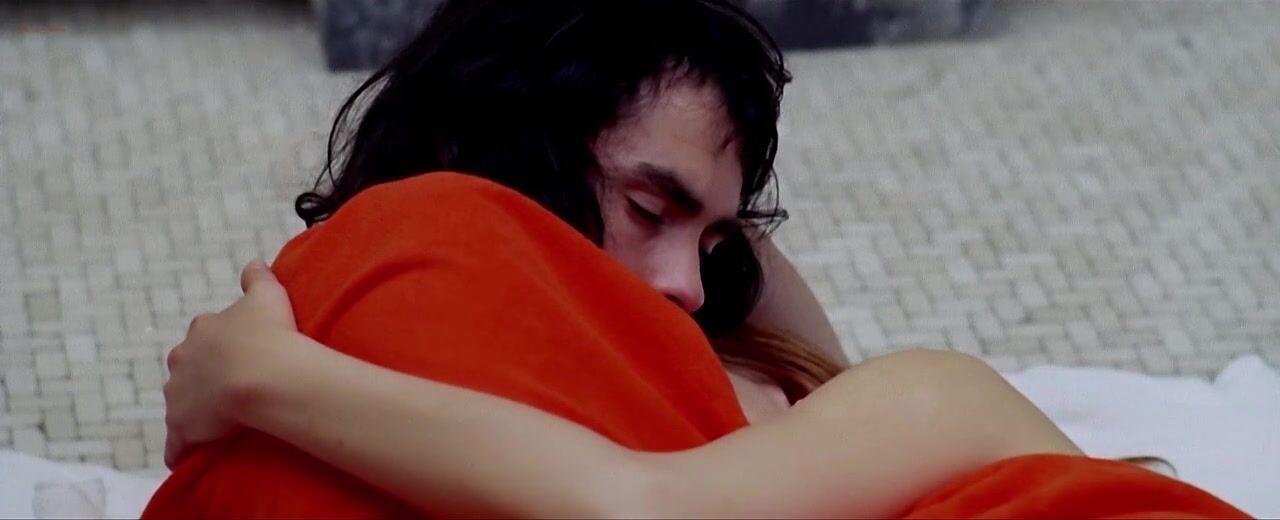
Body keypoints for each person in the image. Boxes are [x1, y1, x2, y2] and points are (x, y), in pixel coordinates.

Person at [146, 0, 1247, 517]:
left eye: (716, 247)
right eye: (651, 207)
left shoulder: (927, 400)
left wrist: (269, 378)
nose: (686, 287)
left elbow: (641, 509)